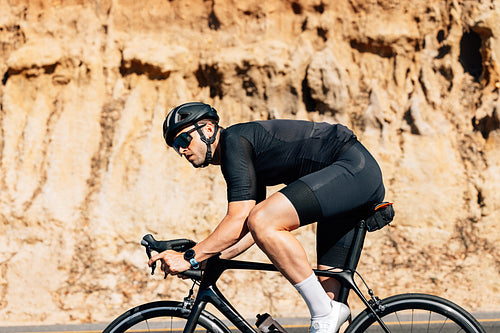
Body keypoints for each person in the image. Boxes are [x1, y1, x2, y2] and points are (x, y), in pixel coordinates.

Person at [149, 102, 386, 333]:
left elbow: (243, 219)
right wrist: (209, 259)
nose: (181, 150)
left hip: (353, 169)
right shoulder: (242, 155)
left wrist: (190, 257)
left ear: (208, 129)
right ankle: (327, 312)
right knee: (327, 301)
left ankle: (325, 312)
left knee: (265, 220)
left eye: (182, 140)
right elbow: (249, 228)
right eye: (174, 147)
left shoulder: (234, 141)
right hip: (345, 188)